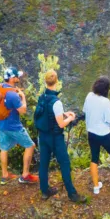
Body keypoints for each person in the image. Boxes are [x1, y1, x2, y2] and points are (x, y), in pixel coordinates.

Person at [33, 70, 85, 203]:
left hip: (43, 136)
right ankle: (72, 194)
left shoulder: (42, 97)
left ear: (45, 81)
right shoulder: (56, 102)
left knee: (44, 163)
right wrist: (71, 118)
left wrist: (64, 113)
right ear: (56, 81)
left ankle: (44, 191)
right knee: (65, 163)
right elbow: (61, 124)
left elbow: (47, 115)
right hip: (55, 138)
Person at [0, 66, 38, 184]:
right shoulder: (13, 95)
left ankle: (5, 175)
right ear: (12, 78)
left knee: (4, 148)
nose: (19, 77)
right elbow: (22, 110)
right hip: (13, 126)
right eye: (17, 76)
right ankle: (25, 175)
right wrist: (22, 97)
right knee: (30, 146)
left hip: (1, 124)